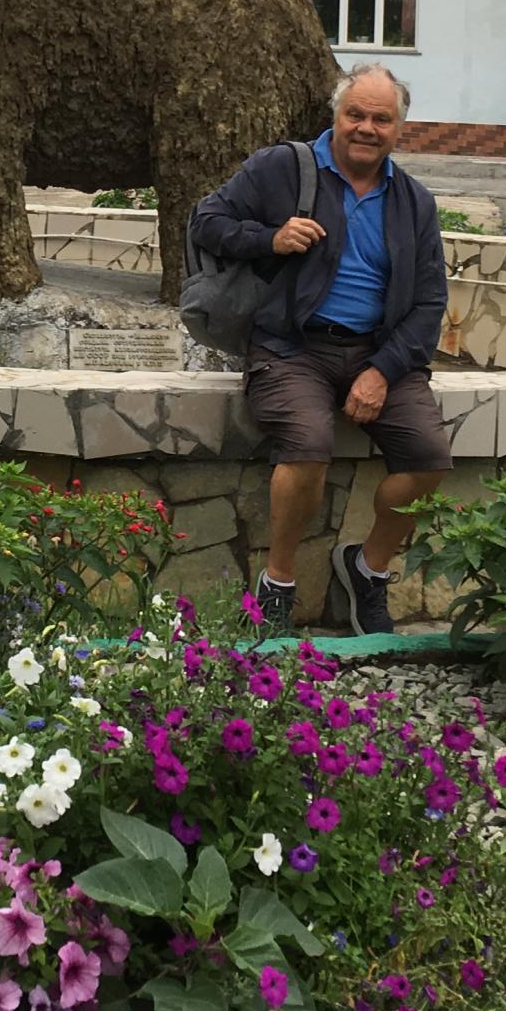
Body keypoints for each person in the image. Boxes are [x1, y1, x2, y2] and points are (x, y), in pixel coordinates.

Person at [187, 63, 451, 633]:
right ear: (335, 115)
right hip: (291, 347)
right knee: (307, 446)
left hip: (376, 352)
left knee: (429, 457)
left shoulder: (414, 203)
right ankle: (278, 581)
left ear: (399, 129)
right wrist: (270, 238)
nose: (366, 128)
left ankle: (366, 568)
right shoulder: (283, 168)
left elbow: (430, 303)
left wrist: (382, 370)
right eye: (355, 114)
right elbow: (206, 221)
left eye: (381, 119)